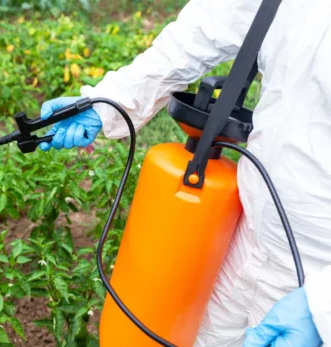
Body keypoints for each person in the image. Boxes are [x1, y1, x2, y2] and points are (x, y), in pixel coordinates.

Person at [38, 0, 331, 346]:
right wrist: (107, 103)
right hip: (246, 232)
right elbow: (208, 24)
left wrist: (321, 304)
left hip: (315, 266)